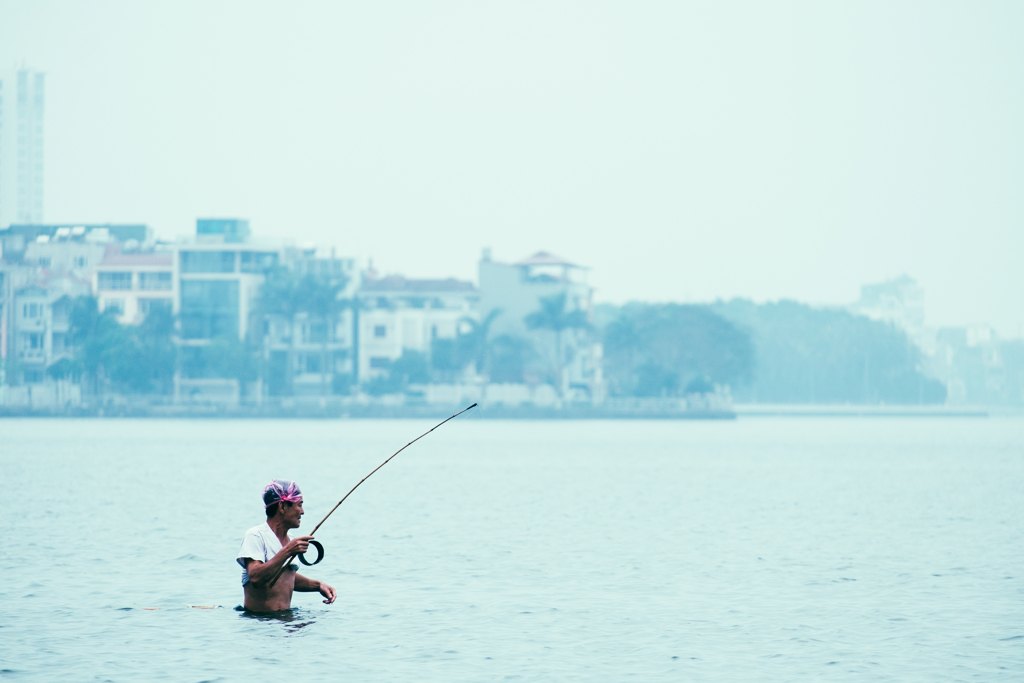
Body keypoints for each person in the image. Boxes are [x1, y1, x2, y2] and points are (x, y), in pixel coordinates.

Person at [237, 480, 337, 611]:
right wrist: (288, 550)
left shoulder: (291, 540)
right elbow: (255, 577)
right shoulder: (255, 535)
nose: (302, 512)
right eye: (299, 505)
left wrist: (318, 585)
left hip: (286, 621)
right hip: (260, 624)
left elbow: (286, 578)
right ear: (282, 507)